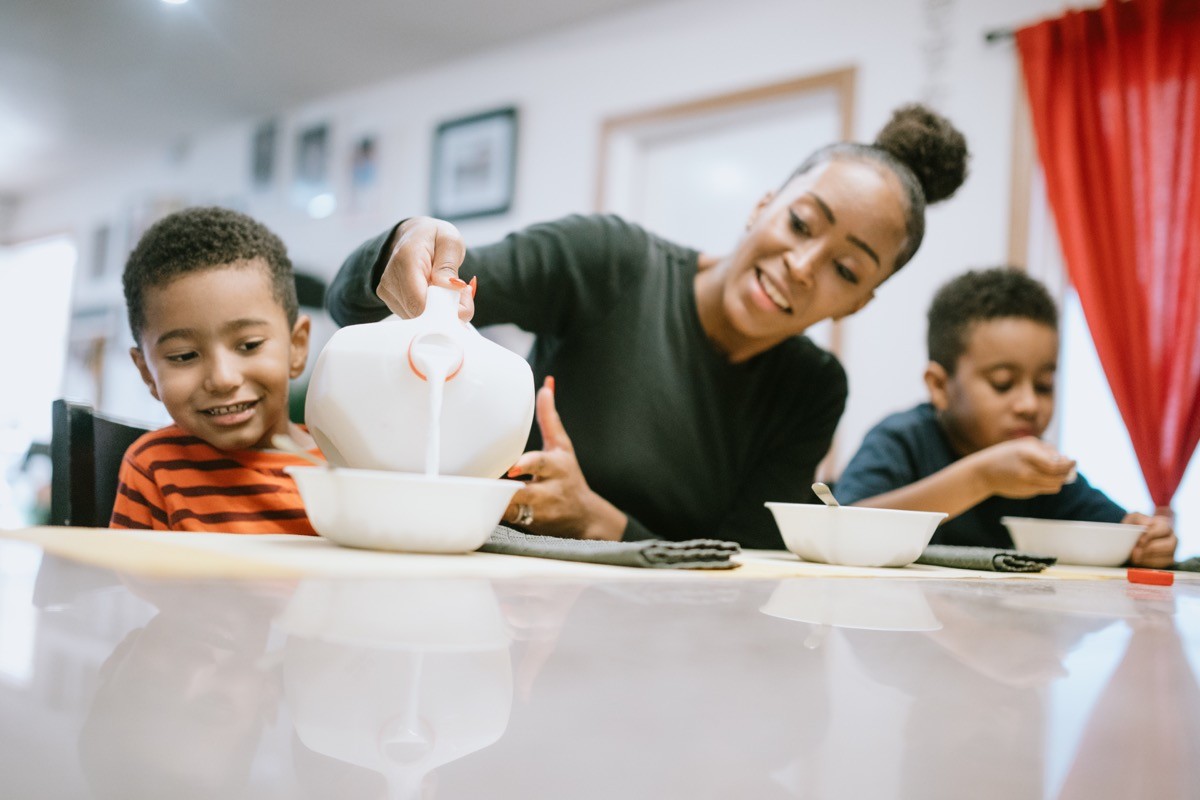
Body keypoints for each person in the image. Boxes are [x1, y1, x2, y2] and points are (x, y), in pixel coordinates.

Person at [328, 104, 970, 548]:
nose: (802, 267)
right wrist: (407, 246)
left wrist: (598, 521)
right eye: (801, 224)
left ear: (858, 303)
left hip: (669, 649)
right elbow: (356, 306)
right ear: (762, 206)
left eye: (847, 269)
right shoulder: (610, 261)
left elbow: (745, 564)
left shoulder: (812, 387)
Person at [834, 267, 1177, 567]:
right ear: (939, 386)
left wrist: (1147, 540)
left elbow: (1123, 530)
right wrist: (982, 477)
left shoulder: (1043, 473)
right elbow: (845, 528)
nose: (1029, 404)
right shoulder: (902, 439)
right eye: (1003, 384)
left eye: (1043, 385)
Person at [109, 206, 322, 533]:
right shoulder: (155, 470)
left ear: (296, 347)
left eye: (249, 345)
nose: (223, 378)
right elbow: (131, 583)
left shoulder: (349, 463)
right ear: (148, 373)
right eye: (183, 356)